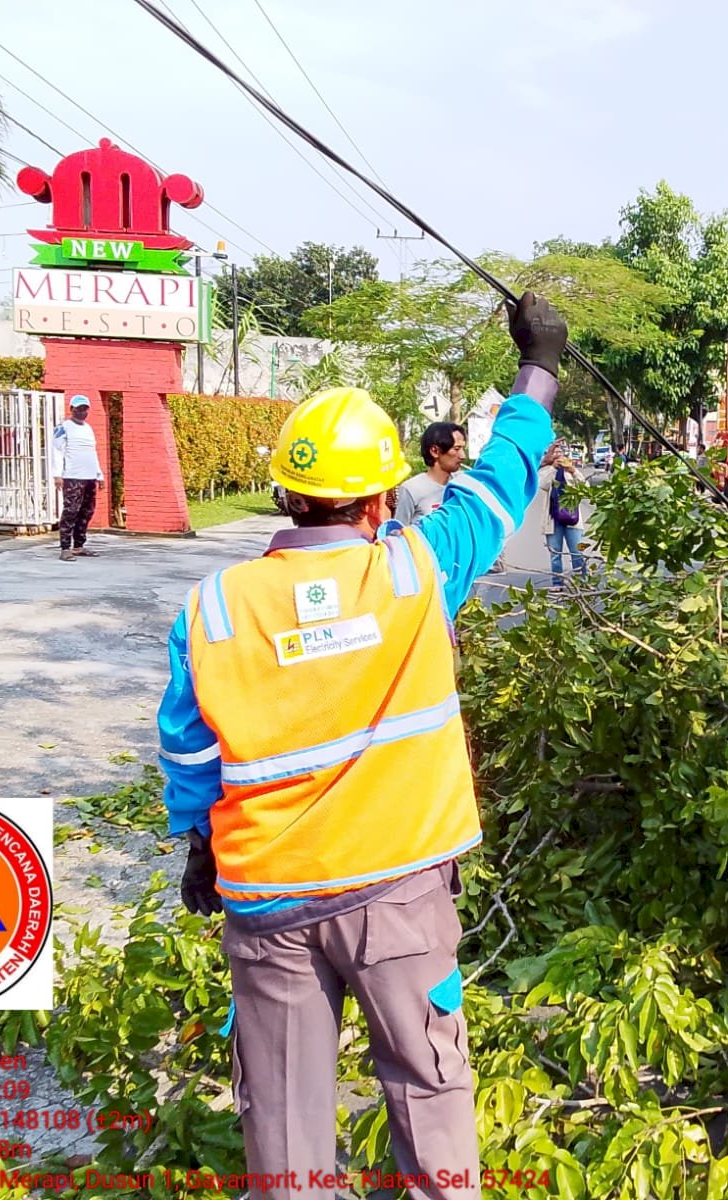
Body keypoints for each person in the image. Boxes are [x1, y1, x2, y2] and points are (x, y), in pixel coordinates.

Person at [156, 292, 569, 1200]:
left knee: (287, 1125)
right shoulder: (417, 569)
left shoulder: (215, 607)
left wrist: (198, 843)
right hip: (399, 898)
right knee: (428, 1090)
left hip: (267, 900)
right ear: (383, 496)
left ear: (285, 493)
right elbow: (500, 477)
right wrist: (538, 364)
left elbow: (187, 755)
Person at [51, 394, 103, 562]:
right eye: (79, 409)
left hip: (89, 477)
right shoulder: (64, 428)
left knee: (87, 511)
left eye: (85, 409)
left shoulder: (88, 428)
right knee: (71, 511)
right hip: (73, 477)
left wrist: (99, 474)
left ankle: (79, 545)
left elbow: (92, 453)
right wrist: (57, 474)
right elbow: (57, 452)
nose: (82, 412)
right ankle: (65, 547)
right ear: (72, 409)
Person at [394, 421, 466, 527]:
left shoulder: (462, 484)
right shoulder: (411, 489)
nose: (462, 456)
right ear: (435, 451)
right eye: (456, 449)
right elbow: (399, 531)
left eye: (463, 448)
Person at [539, 440, 585, 588]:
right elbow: (543, 485)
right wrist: (553, 468)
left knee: (577, 552)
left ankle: (582, 582)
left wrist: (573, 471)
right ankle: (557, 583)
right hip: (553, 519)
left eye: (561, 452)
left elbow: (585, 487)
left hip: (572, 518)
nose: (558, 455)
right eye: (555, 452)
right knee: (555, 554)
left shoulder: (571, 470)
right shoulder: (546, 470)